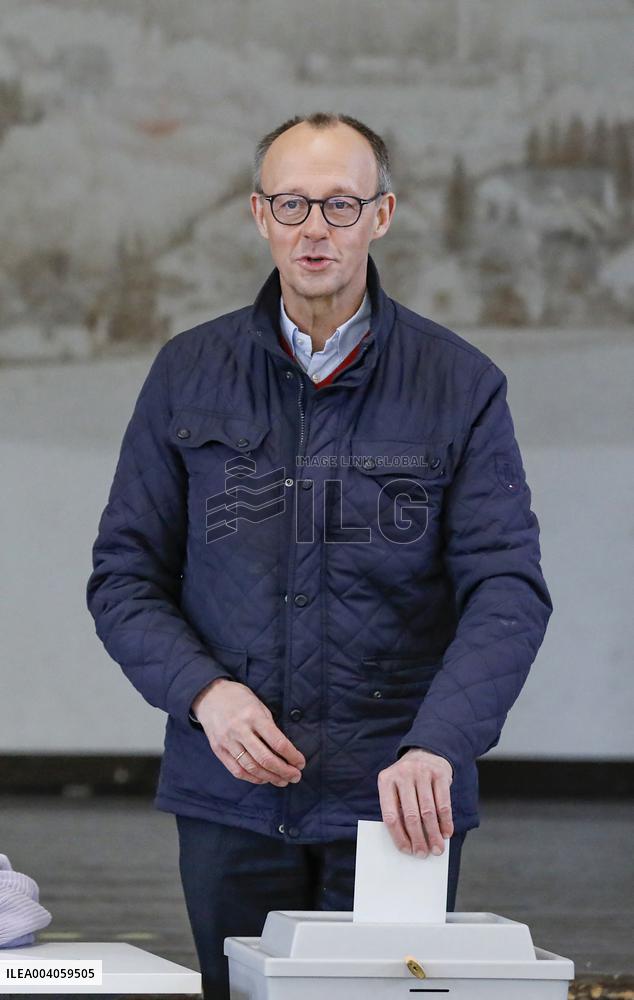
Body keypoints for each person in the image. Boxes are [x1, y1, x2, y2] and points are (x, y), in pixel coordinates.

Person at [86, 112, 553, 1000]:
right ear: (259, 214)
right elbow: (124, 578)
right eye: (292, 203)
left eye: (341, 204)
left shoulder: (460, 384)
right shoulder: (188, 373)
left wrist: (440, 746)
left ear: (382, 216)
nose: (315, 228)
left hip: (398, 800)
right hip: (230, 792)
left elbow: (508, 592)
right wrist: (206, 695)